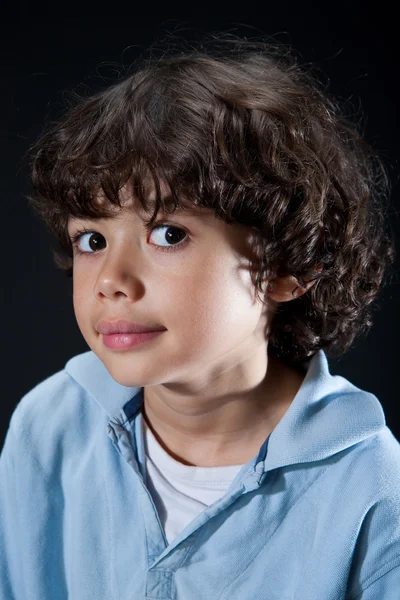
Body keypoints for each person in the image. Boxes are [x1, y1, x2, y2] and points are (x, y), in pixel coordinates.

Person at [1, 34, 399, 599]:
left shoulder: (374, 490)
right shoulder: (48, 429)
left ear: (292, 265)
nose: (111, 280)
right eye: (92, 239)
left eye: (168, 234)